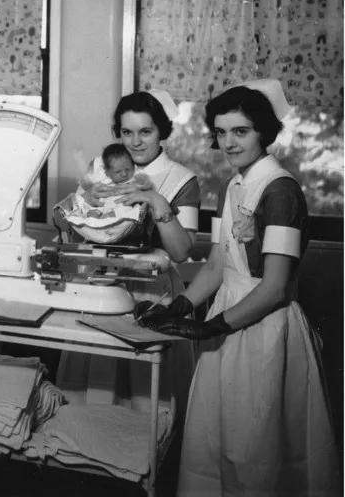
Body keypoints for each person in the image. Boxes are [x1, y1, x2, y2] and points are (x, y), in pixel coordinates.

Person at [135, 80, 338, 496]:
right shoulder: (233, 185)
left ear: (264, 131)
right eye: (222, 132)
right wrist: (180, 306)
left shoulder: (281, 190)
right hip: (228, 321)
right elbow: (218, 265)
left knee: (255, 447)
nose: (228, 142)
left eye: (240, 131)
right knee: (219, 441)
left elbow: (275, 288)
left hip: (265, 329)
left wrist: (212, 327)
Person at [55, 89, 199, 415]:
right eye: (127, 132)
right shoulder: (100, 169)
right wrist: (77, 205)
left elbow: (180, 251)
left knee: (146, 399)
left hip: (153, 295)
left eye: (145, 131)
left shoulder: (181, 178)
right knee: (92, 392)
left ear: (162, 131)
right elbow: (72, 225)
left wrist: (157, 201)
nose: (135, 142)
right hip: (100, 287)